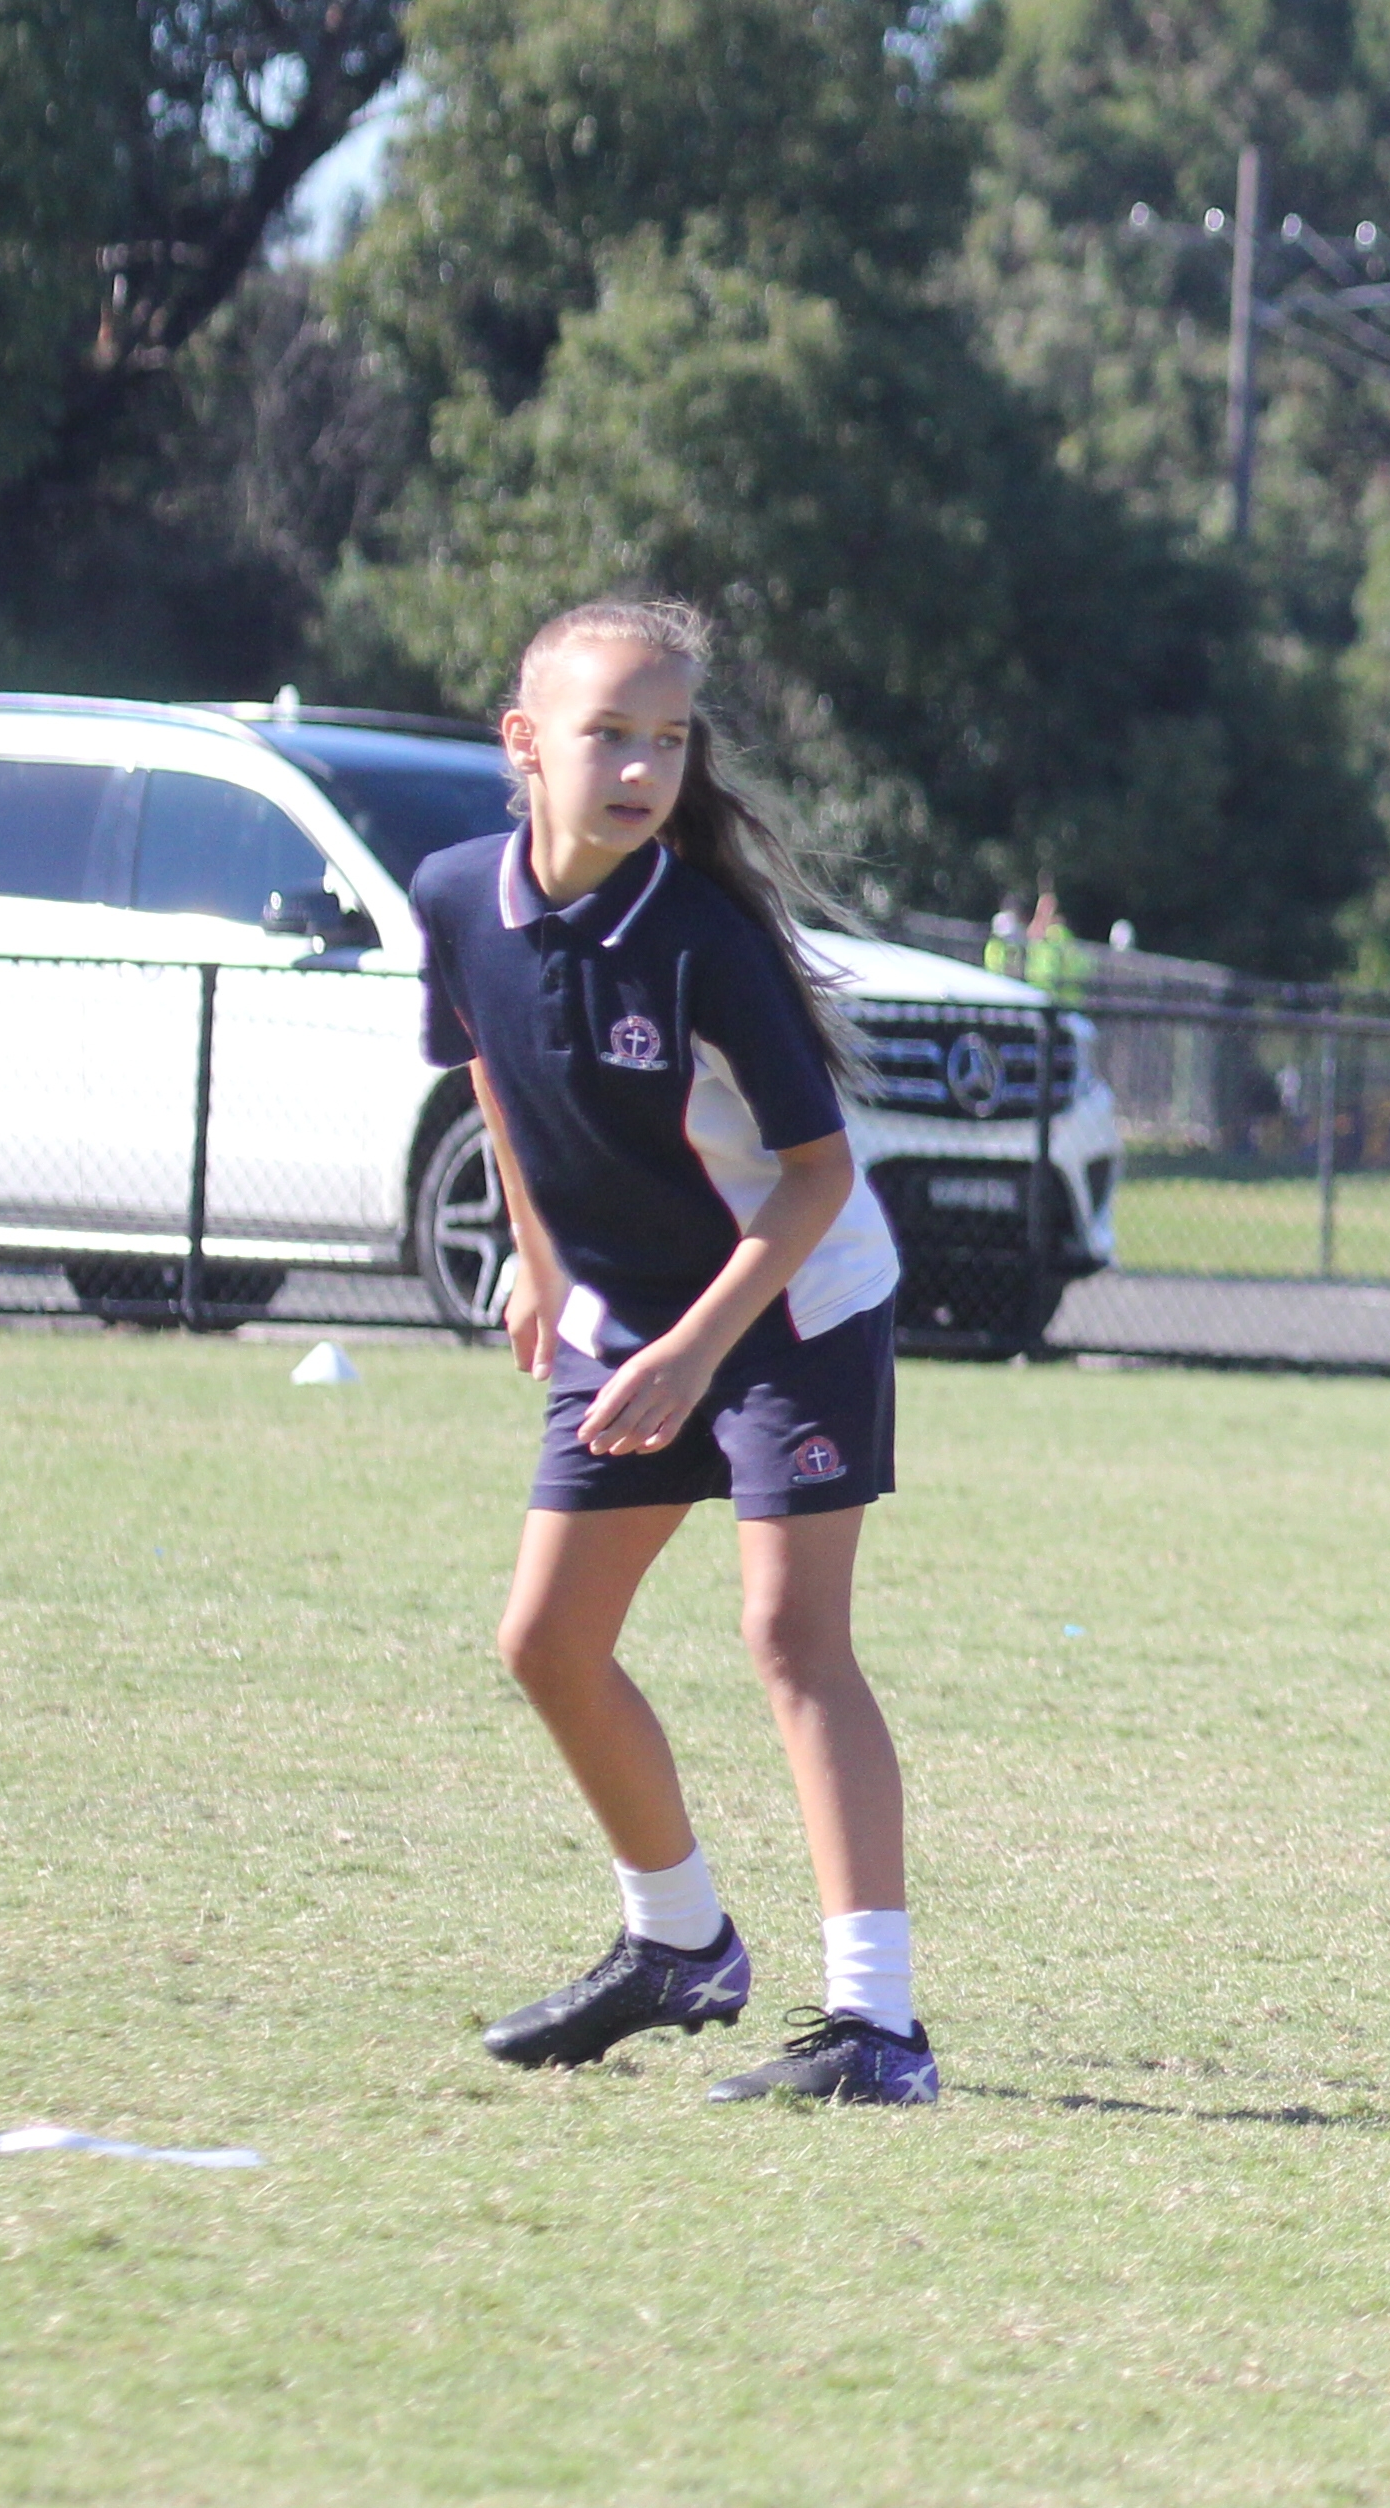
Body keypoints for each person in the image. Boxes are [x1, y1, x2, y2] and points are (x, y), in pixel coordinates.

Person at [423, 596, 938, 2105]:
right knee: (546, 1642)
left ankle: (879, 2032)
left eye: (668, 738)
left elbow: (816, 1177)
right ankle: (678, 1944)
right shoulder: (459, 892)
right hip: (633, 1322)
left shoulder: (703, 939)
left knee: (792, 1644)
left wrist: (695, 1355)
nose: (644, 766)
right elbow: (487, 1066)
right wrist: (535, 1251)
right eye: (609, 734)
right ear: (526, 743)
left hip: (793, 1313)